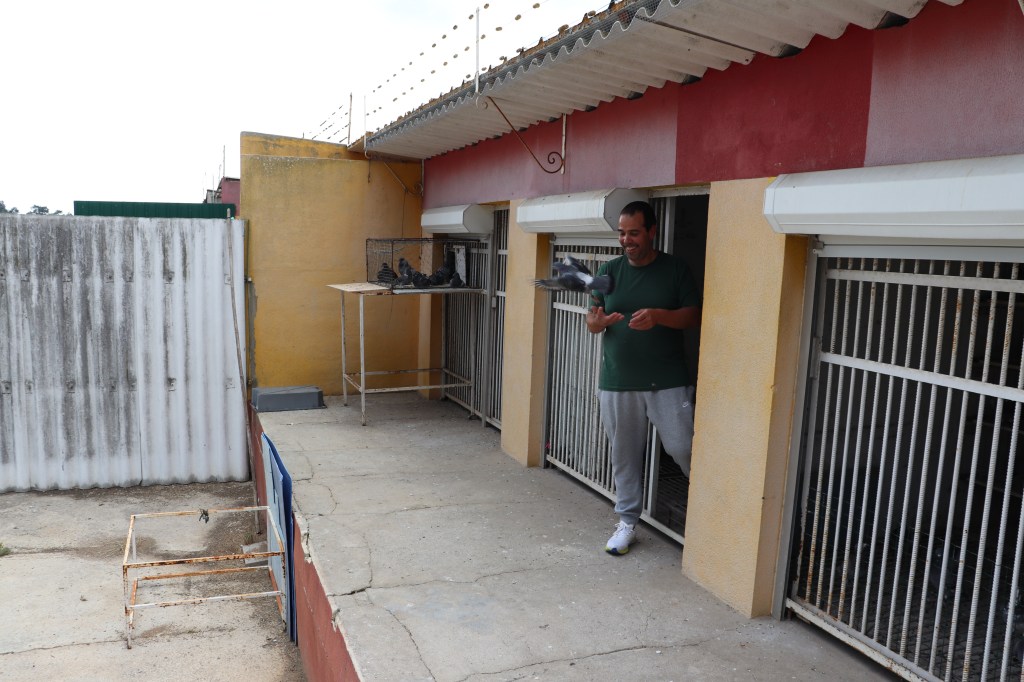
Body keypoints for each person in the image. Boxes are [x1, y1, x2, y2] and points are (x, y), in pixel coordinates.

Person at [586, 200, 701, 556]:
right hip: (618, 381)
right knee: (624, 455)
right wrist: (598, 322)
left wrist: (659, 316)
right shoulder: (608, 270)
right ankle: (627, 522)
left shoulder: (675, 269)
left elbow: (693, 315)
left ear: (652, 231)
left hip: (667, 379)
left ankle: (707, 511)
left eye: (634, 233)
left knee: (683, 447)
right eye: (622, 233)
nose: (626, 240)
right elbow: (592, 319)